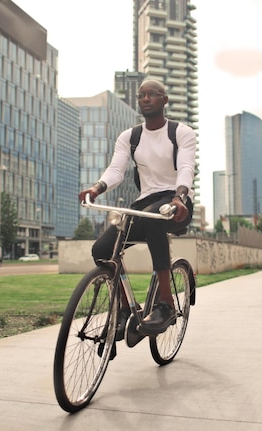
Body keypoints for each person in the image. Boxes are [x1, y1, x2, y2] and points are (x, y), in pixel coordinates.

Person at [78, 79, 196, 337]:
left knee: (155, 218)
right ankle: (123, 309)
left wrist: (180, 196)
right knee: (102, 249)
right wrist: (97, 188)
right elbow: (116, 170)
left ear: (164, 100)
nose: (145, 98)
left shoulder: (181, 133)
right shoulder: (130, 137)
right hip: (145, 203)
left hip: (176, 203)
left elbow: (186, 168)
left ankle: (165, 303)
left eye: (152, 94)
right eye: (141, 95)